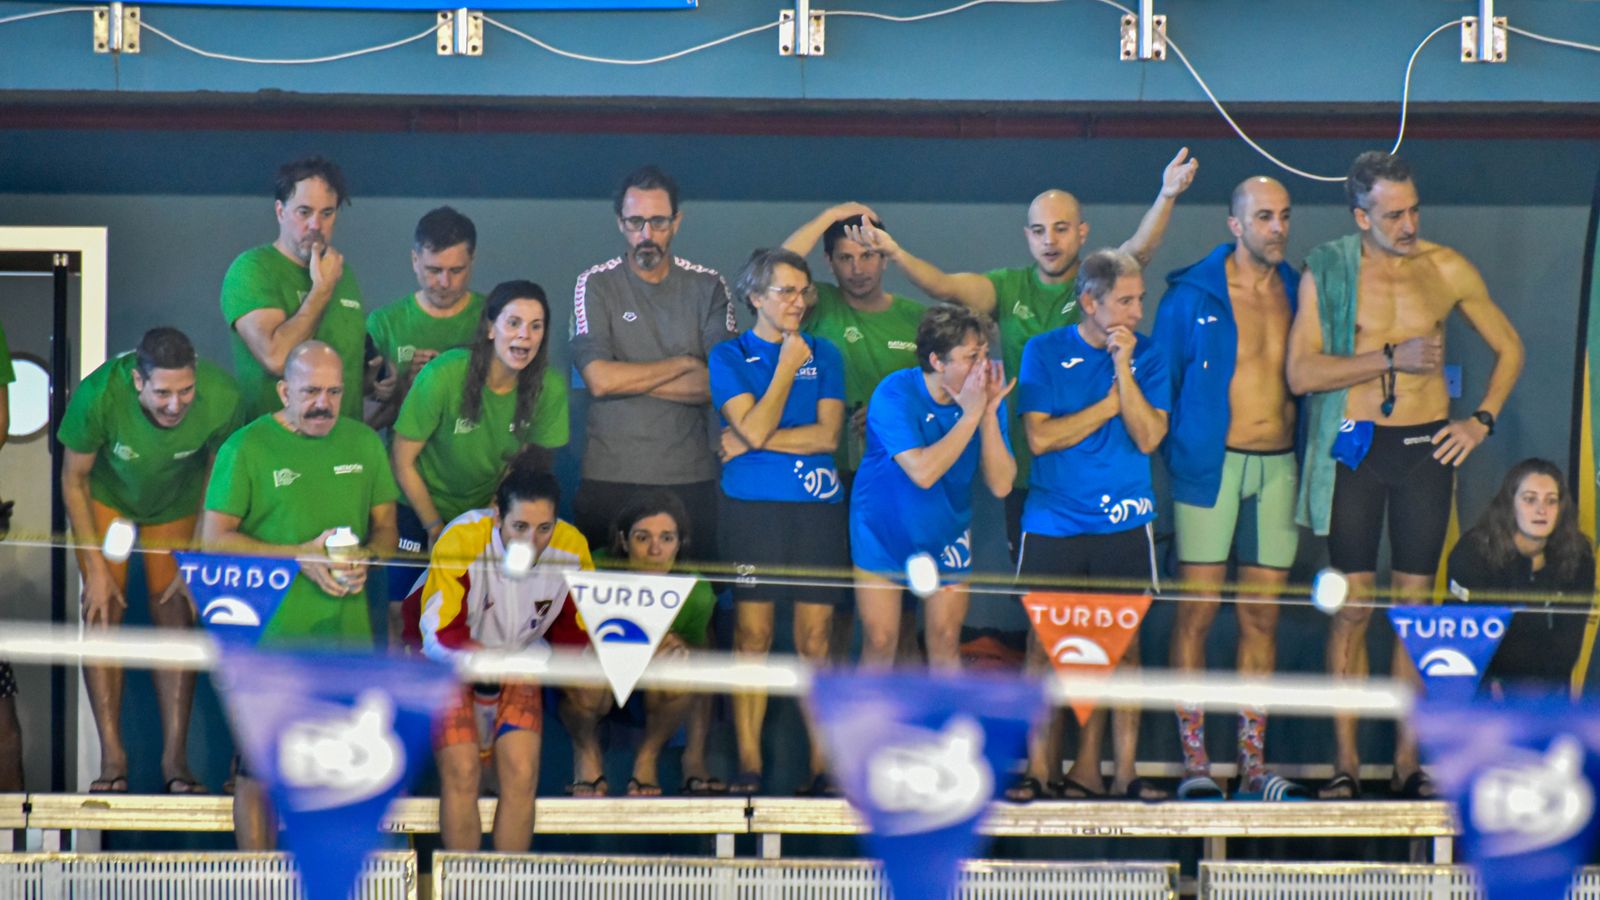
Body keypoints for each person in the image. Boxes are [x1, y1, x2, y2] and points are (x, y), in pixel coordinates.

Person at [1288, 151, 1524, 799]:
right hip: (1354, 450)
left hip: (1425, 450)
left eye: (1414, 208)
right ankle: (1344, 766)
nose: (1409, 223)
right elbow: (1302, 375)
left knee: (1416, 612)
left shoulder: (1445, 268)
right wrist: (1389, 356)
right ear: (1360, 216)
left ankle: (1407, 764)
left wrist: (1480, 421)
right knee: (1354, 611)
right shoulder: (1328, 272)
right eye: (1393, 214)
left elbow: (1511, 348)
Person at [844, 149, 1198, 557]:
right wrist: (895, 253)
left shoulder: (1095, 284)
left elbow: (1138, 252)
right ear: (1027, 235)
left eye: (1061, 229)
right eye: (1039, 230)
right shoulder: (1007, 287)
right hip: (1031, 467)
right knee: (1039, 602)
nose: (1050, 240)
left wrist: (1167, 195)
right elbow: (943, 286)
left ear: (1082, 233)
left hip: (1097, 473)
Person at [202, 341, 399, 848]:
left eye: (334, 391)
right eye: (311, 391)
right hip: (271, 638)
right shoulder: (246, 448)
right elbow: (214, 541)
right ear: (285, 390)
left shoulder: (363, 443)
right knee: (259, 773)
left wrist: (368, 558)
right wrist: (298, 556)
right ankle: (258, 884)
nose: (323, 403)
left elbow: (385, 531)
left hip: (347, 638)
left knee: (339, 776)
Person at [1154, 178, 1306, 801]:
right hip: (1210, 469)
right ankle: (1196, 761)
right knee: (1196, 611)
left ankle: (1251, 763)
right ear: (1234, 225)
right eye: (1264, 217)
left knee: (1262, 617)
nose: (1278, 227)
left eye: (1285, 216)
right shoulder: (1190, 296)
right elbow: (1161, 389)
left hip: (1278, 467)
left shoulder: (1302, 289)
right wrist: (1184, 456)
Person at [1012, 249, 1169, 802]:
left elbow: (1149, 437)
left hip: (1124, 522)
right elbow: (1040, 438)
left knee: (1124, 648)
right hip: (1054, 521)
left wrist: (1123, 370)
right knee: (1040, 646)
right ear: (1089, 302)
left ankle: (1124, 773)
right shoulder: (1044, 351)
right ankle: (1036, 772)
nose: (1137, 310)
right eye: (1125, 300)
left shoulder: (1147, 356)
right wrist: (1107, 408)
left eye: (1140, 299)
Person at [59, 327, 243, 794]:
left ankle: (175, 760)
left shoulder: (221, 396)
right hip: (106, 497)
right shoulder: (98, 395)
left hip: (178, 503)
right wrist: (96, 571)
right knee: (102, 608)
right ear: (138, 382)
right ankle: (112, 759)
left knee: (176, 609)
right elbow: (74, 480)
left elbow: (218, 472)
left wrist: (198, 553)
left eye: (185, 390)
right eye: (162, 392)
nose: (175, 404)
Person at [710, 248, 846, 796]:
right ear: (755, 298)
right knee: (753, 635)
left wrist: (752, 443)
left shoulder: (828, 352)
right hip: (750, 512)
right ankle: (749, 765)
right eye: (785, 291)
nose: (798, 301)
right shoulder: (729, 354)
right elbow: (756, 424)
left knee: (816, 640)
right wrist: (787, 370)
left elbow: (826, 438)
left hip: (815, 511)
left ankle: (821, 770)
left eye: (803, 290)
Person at [403, 466, 590, 851]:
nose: (533, 540)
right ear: (496, 515)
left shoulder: (572, 548)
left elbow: (576, 635)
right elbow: (439, 634)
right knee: (462, 771)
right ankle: (460, 886)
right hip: (445, 662)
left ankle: (507, 884)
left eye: (544, 528)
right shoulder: (462, 538)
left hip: (517, 659)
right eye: (519, 527)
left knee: (522, 775)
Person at [570, 164, 737, 560]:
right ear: (620, 222)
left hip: (690, 477)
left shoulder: (709, 285)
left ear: (676, 222)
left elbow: (720, 383)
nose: (647, 234)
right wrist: (683, 361)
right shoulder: (595, 282)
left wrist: (629, 373)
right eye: (636, 221)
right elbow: (599, 380)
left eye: (658, 222)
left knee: (695, 612)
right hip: (609, 475)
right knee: (598, 615)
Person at [390, 280, 568, 631]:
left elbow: (525, 469)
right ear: (490, 327)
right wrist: (436, 527)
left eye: (536, 326)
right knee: (402, 612)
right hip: (418, 506)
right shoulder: (444, 373)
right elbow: (401, 460)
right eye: (513, 322)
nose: (524, 336)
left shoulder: (550, 388)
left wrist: (487, 517)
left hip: (484, 512)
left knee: (481, 612)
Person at [850, 304, 1013, 668]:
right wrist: (970, 415)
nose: (983, 366)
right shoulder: (894, 394)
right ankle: (866, 727)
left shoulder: (984, 397)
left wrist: (986, 415)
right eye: (972, 357)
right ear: (938, 361)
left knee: (945, 640)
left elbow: (1002, 485)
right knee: (881, 641)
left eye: (985, 354)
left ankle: (947, 726)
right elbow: (923, 472)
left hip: (946, 532)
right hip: (881, 532)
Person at [557, 490, 721, 796]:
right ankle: (587, 756)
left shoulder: (695, 589)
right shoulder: (596, 571)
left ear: (680, 543)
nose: (655, 549)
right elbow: (563, 635)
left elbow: (699, 653)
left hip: (653, 689)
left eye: (667, 538)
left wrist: (678, 647)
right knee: (582, 673)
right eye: (643, 537)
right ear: (623, 539)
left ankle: (648, 759)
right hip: (599, 683)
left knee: (683, 672)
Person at [221, 155, 366, 421]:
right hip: (275, 449)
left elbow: (345, 366)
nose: (315, 225)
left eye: (327, 213)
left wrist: (378, 377)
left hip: (343, 446)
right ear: (280, 211)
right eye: (304, 212)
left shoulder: (342, 274)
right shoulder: (252, 269)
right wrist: (321, 291)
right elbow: (276, 358)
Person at [1447, 459, 1595, 695]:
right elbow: (1464, 638)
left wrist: (1541, 689)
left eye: (1551, 501)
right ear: (1509, 504)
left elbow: (1569, 639)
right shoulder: (1473, 552)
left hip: (1545, 687)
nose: (1541, 510)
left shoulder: (1578, 557)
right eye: (1530, 499)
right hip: (1481, 684)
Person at [366, 206, 486, 429]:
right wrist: (403, 388)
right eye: (434, 270)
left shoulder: (495, 318)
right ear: (414, 260)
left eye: (456, 271)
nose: (444, 283)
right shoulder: (384, 323)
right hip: (405, 458)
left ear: (472, 261)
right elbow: (362, 424)